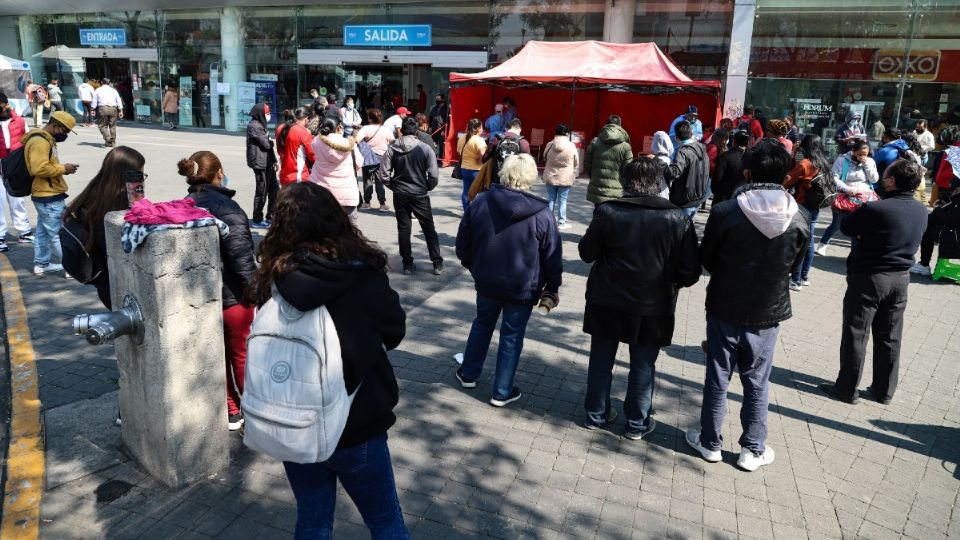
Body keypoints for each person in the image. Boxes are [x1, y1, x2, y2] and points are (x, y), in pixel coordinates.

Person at [246, 182, 408, 539]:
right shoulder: (362, 275)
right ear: (336, 220)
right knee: (384, 522)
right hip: (358, 423)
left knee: (313, 522)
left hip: (295, 422)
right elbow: (395, 331)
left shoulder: (276, 279)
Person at [686, 140, 809, 472]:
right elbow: (795, 264)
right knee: (757, 380)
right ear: (786, 176)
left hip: (725, 302)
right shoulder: (799, 217)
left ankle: (710, 442)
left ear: (747, 172)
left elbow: (707, 257)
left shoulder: (726, 211)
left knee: (718, 375)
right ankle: (752, 449)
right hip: (768, 309)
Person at [579, 157, 699, 438]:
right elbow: (690, 271)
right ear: (659, 183)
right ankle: (636, 421)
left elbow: (587, 252)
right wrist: (672, 283)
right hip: (653, 303)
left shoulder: (608, 211)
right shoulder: (678, 217)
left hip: (608, 297)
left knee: (601, 358)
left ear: (625, 181)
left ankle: (596, 413)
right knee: (643, 364)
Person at [455, 154, 562, 407]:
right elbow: (552, 256)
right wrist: (552, 286)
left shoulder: (481, 202)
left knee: (482, 324)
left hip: (487, 281)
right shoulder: (543, 214)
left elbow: (463, 245)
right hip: (523, 287)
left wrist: (476, 268)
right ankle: (501, 390)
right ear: (531, 177)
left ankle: (469, 373)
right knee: (512, 336)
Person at [818, 159, 928, 406]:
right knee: (890, 334)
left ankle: (846, 388)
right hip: (900, 278)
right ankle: (884, 390)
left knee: (857, 333)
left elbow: (847, 226)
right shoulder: (921, 210)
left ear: (891, 181)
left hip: (870, 276)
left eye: (885, 176)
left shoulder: (877, 208)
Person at [178, 151, 256, 430]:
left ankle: (231, 409)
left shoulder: (184, 204)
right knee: (243, 354)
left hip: (198, 297)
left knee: (216, 355)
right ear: (219, 172)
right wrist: (256, 294)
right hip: (233, 297)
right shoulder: (228, 208)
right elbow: (241, 259)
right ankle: (257, 411)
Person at [63, 146, 144, 308]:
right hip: (111, 282)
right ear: (125, 175)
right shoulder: (110, 204)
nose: (141, 179)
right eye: (139, 174)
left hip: (102, 280)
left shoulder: (96, 189)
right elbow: (118, 246)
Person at [377, 117, 442, 275]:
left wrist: (393, 186)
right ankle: (437, 263)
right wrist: (427, 186)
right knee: (428, 228)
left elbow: (383, 174)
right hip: (419, 193)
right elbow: (433, 175)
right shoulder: (425, 148)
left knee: (404, 229)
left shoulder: (392, 149)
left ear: (402, 131)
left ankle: (407, 264)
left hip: (400, 194)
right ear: (417, 132)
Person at [27, 111, 79, 276]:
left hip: (45, 193)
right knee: (58, 233)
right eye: (65, 131)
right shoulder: (40, 142)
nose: (66, 135)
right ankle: (71, 267)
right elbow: (38, 168)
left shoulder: (44, 139)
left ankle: (41, 264)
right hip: (47, 195)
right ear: (55, 126)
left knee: (43, 232)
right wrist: (64, 168)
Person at [784, 134, 831, 289]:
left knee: (801, 242)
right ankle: (804, 276)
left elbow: (787, 179)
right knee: (809, 242)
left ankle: (795, 279)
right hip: (816, 205)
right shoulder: (823, 162)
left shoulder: (805, 163)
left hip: (802, 205)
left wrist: (793, 153)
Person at [816, 141, 879, 255]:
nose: (863, 156)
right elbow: (834, 178)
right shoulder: (842, 160)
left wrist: (867, 165)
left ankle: (855, 253)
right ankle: (822, 244)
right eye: (860, 154)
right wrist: (846, 189)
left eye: (866, 154)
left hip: (864, 198)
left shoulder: (870, 161)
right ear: (853, 151)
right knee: (837, 224)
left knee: (859, 227)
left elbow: (874, 180)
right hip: (845, 196)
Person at [309, 117, 363, 226]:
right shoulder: (350, 144)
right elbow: (358, 164)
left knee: (322, 232)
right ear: (339, 128)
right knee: (349, 232)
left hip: (320, 192)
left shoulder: (316, 141)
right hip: (346, 195)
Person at [0, 93, 34, 252]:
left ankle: (24, 231)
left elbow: (28, 141)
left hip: (15, 164)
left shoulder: (19, 121)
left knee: (17, 198)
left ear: (6, 104)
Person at [912, 177, 960, 276]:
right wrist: (944, 202)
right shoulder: (956, 196)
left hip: (955, 235)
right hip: (953, 229)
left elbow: (952, 220)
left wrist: (938, 209)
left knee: (928, 232)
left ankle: (924, 264)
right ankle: (923, 264)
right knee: (930, 222)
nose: (952, 190)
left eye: (954, 189)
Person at [662, 120, 709, 218]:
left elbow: (674, 173)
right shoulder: (702, 148)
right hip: (697, 197)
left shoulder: (683, 152)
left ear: (676, 138)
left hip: (685, 200)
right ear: (691, 133)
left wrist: (660, 163)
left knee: (681, 230)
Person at [584, 115, 632, 205]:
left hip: (597, 187)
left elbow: (587, 163)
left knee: (598, 214)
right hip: (617, 190)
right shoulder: (625, 146)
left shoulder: (595, 142)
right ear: (620, 126)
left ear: (607, 124)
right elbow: (628, 169)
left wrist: (594, 176)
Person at [245, 103, 278, 227]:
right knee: (262, 191)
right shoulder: (254, 126)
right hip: (260, 163)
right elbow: (267, 144)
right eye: (267, 113)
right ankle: (257, 219)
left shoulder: (261, 125)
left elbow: (269, 146)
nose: (268, 115)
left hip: (268, 162)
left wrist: (274, 160)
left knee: (274, 190)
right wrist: (270, 141)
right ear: (260, 113)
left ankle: (271, 216)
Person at [541, 123, 579, 229]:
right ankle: (561, 222)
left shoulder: (550, 144)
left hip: (550, 175)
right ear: (567, 133)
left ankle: (548, 221)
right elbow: (576, 161)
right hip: (565, 176)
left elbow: (544, 156)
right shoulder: (571, 145)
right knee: (563, 200)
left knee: (551, 199)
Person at [356, 108, 394, 211]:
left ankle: (367, 203)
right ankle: (382, 204)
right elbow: (393, 142)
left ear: (370, 119)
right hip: (382, 158)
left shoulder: (365, 128)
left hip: (368, 158)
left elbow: (356, 140)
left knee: (367, 180)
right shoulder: (386, 130)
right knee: (380, 181)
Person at [276, 107, 316, 187]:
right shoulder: (304, 132)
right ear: (306, 119)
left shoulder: (280, 128)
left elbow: (279, 150)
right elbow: (313, 156)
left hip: (284, 175)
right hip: (299, 177)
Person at [482, 117, 531, 184]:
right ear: (520, 129)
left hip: (497, 179)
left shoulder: (496, 139)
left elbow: (484, 158)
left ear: (506, 129)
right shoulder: (523, 143)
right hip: (515, 181)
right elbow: (528, 165)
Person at [711, 130, 749, 204]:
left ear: (734, 141)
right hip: (744, 197)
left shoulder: (725, 156)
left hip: (724, 196)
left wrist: (715, 190)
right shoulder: (753, 156)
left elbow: (717, 177)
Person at [456, 118, 486, 210]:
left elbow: (458, 152)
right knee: (479, 193)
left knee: (466, 192)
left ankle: (467, 212)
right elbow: (484, 156)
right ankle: (476, 213)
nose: (482, 129)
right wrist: (479, 159)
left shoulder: (462, 137)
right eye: (481, 127)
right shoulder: (478, 140)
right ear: (478, 129)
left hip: (464, 168)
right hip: (477, 170)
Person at [94, 78, 124, 148]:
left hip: (103, 108)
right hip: (113, 109)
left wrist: (92, 109)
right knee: (112, 126)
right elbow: (118, 100)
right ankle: (112, 142)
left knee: (102, 125)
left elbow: (94, 101)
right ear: (109, 83)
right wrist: (120, 110)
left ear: (101, 82)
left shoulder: (98, 90)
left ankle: (108, 138)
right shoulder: (114, 90)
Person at [428, 94, 449, 163]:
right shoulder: (434, 108)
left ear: (442, 100)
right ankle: (433, 158)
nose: (437, 101)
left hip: (441, 130)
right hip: (434, 129)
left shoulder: (447, 109)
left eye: (438, 99)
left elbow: (448, 120)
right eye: (436, 99)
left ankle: (440, 160)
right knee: (433, 144)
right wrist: (430, 126)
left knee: (441, 145)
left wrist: (444, 130)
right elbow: (430, 118)